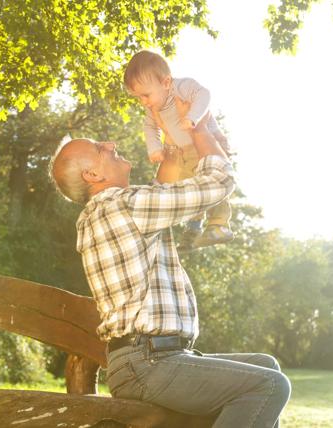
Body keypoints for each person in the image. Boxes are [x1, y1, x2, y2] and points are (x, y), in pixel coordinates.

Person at [49, 125, 290, 427]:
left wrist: (173, 158)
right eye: (99, 148)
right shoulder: (124, 206)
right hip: (149, 363)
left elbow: (158, 197)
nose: (110, 144)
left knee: (266, 366)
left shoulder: (108, 212)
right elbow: (217, 184)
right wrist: (205, 137)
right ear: (92, 176)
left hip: (147, 360)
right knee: (269, 385)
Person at [123, 49, 234, 251]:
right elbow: (149, 127)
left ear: (166, 83)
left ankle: (219, 224)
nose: (144, 102)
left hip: (206, 142)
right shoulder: (152, 108)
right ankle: (194, 229)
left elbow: (204, 94)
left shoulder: (182, 87)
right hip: (184, 150)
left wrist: (192, 117)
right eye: (139, 97)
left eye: (146, 95)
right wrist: (154, 148)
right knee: (190, 186)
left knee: (210, 179)